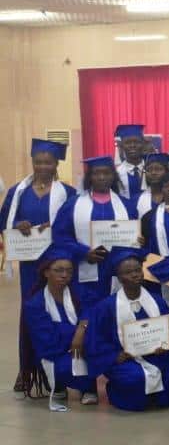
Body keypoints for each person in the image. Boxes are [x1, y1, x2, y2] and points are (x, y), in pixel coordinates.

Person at [1, 139, 76, 392]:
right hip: (31, 265)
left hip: (58, 263)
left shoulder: (67, 193)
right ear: (32, 163)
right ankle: (27, 369)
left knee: (59, 312)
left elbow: (74, 224)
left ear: (56, 164)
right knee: (31, 314)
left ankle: (58, 368)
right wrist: (17, 224)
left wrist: (55, 227)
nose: (43, 166)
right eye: (38, 162)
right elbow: (4, 222)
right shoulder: (18, 192)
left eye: (48, 162)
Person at [85, 247, 169, 411]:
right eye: (128, 272)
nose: (135, 275)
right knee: (135, 377)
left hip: (154, 354)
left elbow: (166, 331)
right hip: (124, 359)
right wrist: (116, 356)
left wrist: (165, 344)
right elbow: (96, 342)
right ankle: (117, 393)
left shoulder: (157, 301)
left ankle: (155, 396)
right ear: (119, 277)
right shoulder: (106, 307)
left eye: (137, 270)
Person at [53, 156, 139, 307]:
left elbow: (133, 237)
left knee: (115, 309)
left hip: (117, 269)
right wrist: (83, 252)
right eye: (96, 173)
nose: (101, 177)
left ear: (113, 176)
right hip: (84, 269)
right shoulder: (73, 204)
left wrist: (137, 240)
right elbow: (60, 235)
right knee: (86, 310)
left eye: (106, 173)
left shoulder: (127, 206)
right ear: (89, 177)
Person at [22, 244, 97, 410]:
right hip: (53, 354)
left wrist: (81, 330)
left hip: (82, 348)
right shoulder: (35, 303)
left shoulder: (79, 292)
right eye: (58, 270)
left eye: (69, 271)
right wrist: (79, 331)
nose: (64, 275)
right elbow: (47, 342)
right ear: (46, 272)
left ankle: (88, 387)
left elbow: (93, 313)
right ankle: (60, 385)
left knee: (98, 353)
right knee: (65, 367)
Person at [114, 124, 147, 202]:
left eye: (137, 142)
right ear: (122, 146)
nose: (132, 145)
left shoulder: (151, 169)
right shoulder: (117, 173)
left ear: (143, 144)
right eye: (127, 143)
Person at [134, 153, 169, 219]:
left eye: (158, 169)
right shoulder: (136, 200)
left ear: (167, 172)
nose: (153, 173)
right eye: (149, 170)